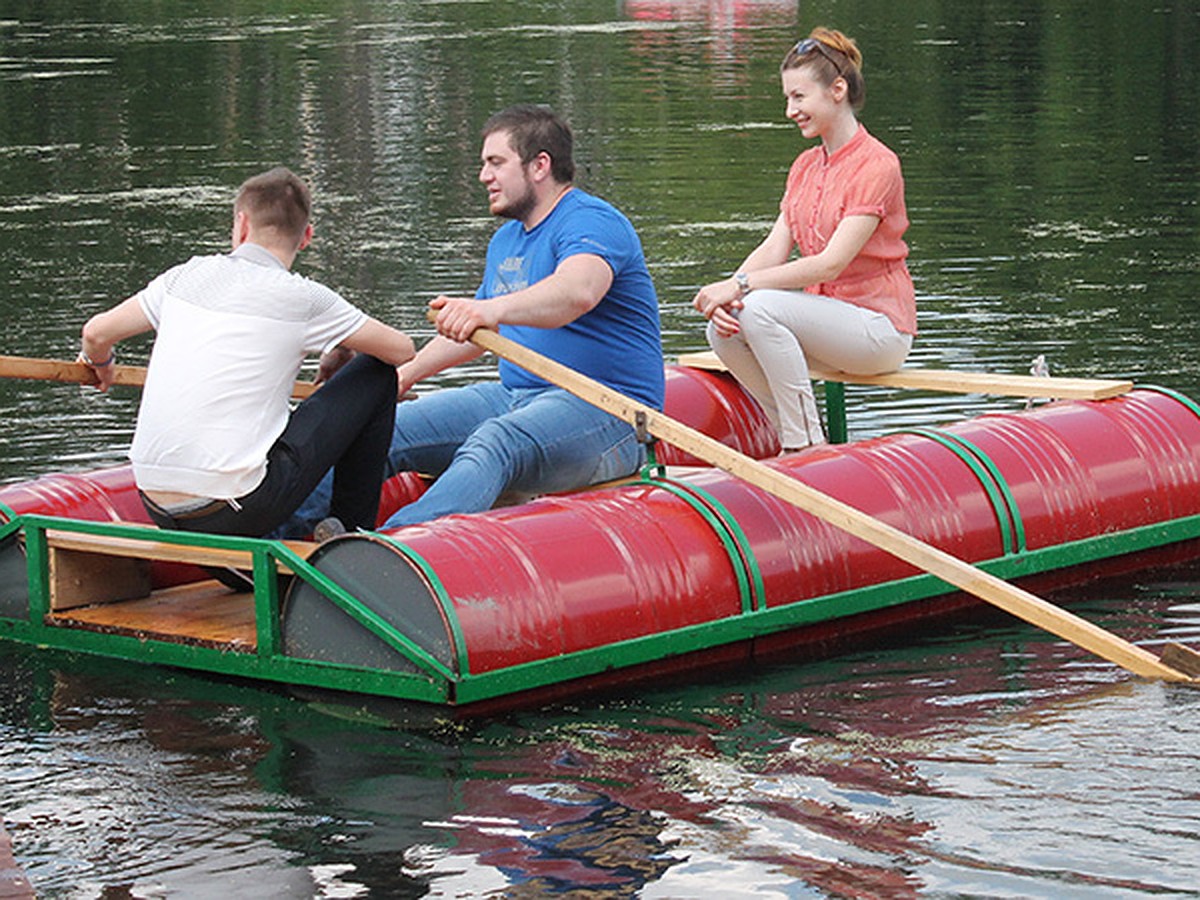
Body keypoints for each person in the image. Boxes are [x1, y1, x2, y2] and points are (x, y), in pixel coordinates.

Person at [281, 104, 663, 535]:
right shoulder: (506, 240)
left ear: (540, 165)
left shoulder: (591, 220)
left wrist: (490, 308)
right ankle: (279, 537)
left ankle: (387, 550)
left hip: (607, 412)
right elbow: (479, 333)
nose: (484, 176)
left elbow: (578, 291)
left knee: (494, 441)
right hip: (517, 393)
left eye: (496, 163)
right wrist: (402, 377)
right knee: (383, 429)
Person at [79, 166, 416, 541]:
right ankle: (352, 535)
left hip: (154, 500)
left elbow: (95, 333)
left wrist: (102, 364)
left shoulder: (183, 277)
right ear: (306, 237)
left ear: (241, 226)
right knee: (377, 373)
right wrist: (342, 344)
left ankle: (263, 553)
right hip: (235, 508)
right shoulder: (304, 297)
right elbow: (401, 350)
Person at [692, 27, 915, 450]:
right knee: (725, 328)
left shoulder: (878, 164)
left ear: (837, 90)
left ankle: (805, 445)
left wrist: (740, 288)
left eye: (798, 97)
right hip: (823, 323)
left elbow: (831, 263)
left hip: (879, 330)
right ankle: (792, 433)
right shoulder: (804, 166)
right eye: (787, 98)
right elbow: (775, 248)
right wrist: (727, 297)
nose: (789, 110)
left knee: (758, 309)